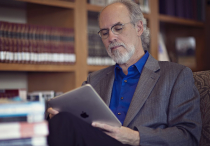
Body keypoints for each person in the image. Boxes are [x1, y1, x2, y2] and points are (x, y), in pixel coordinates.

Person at [47, 0, 202, 145]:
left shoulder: (176, 75)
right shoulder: (94, 80)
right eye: (105, 32)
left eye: (118, 28)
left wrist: (135, 137)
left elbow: (188, 136)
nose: (111, 37)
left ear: (139, 28)